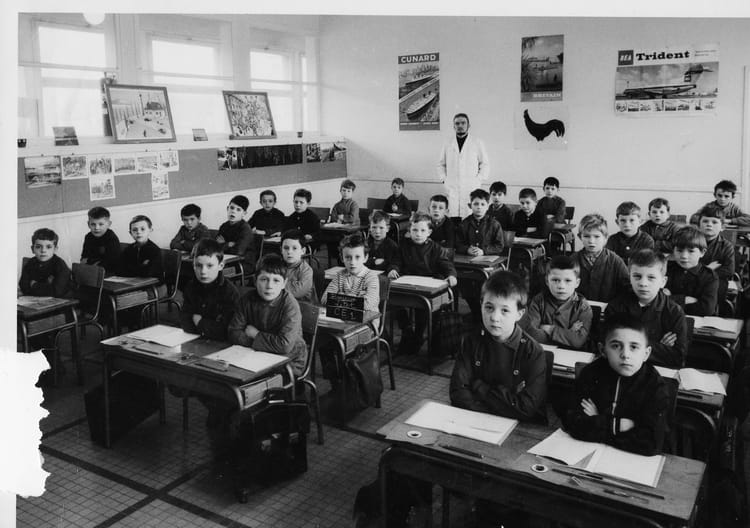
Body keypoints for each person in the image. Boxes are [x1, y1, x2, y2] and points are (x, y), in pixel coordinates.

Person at [564, 315, 669, 456]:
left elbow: (651, 443)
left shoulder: (655, 385)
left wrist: (598, 420)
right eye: (616, 346)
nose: (625, 354)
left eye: (634, 347)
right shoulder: (591, 373)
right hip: (586, 451)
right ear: (603, 350)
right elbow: (573, 424)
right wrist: (619, 425)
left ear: (646, 353)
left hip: (632, 460)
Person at [605, 249, 688, 368]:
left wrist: (628, 344)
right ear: (630, 278)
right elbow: (608, 348)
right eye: (637, 276)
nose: (643, 283)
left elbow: (677, 357)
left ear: (663, 282)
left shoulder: (674, 312)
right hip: (622, 368)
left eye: (651, 277)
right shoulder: (616, 307)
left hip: (658, 370)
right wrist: (657, 346)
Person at [227, 254, 308, 376]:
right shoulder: (247, 299)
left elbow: (284, 345)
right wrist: (260, 343)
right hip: (254, 355)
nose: (269, 286)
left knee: (250, 381)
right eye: (264, 279)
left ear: (284, 283)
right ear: (255, 280)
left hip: (289, 362)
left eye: (276, 280)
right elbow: (233, 332)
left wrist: (256, 335)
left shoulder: (290, 305)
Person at [389, 212, 457, 352]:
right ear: (409, 231)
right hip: (408, 284)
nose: (418, 234)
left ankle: (418, 335)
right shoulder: (404, 245)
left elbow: (446, 264)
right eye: (414, 230)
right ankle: (407, 329)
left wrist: (451, 275)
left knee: (423, 307)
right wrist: (393, 269)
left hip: (427, 286)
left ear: (429, 232)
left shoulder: (436, 248)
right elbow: (397, 260)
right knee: (392, 300)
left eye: (422, 230)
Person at [520, 255, 592, 350]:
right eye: (555, 280)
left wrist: (550, 329)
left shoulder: (583, 307)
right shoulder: (538, 301)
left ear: (577, 283)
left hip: (570, 355)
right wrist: (567, 333)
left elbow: (578, 341)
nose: (561, 286)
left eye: (568, 280)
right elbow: (531, 334)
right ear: (547, 281)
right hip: (543, 352)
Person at [456, 189, 504, 319]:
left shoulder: (494, 224)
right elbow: (458, 244)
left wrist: (484, 250)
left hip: (487, 266)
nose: (479, 207)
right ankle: (477, 313)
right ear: (470, 205)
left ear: (488, 206)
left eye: (482, 204)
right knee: (464, 284)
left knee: (484, 286)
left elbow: (499, 246)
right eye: (476, 204)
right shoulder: (464, 224)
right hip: (468, 265)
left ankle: (483, 312)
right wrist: (467, 249)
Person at [179, 239, 241, 340]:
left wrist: (200, 322)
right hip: (194, 339)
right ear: (193, 265)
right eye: (198, 265)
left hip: (220, 343)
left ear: (221, 266)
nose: (203, 271)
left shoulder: (229, 292)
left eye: (209, 266)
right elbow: (184, 320)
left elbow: (227, 330)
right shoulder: (190, 286)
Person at [437, 113, 490, 217]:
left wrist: (478, 180)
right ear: (454, 126)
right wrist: (444, 179)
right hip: (452, 187)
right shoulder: (447, 143)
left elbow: (485, 164)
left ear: (468, 125)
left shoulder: (477, 142)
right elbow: (440, 164)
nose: (460, 125)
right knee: (453, 216)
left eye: (463, 123)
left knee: (469, 216)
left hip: (470, 186)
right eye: (457, 123)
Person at [574, 213, 629, 303]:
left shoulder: (615, 261)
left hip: (608, 308)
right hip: (579, 307)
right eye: (586, 236)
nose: (591, 241)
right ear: (580, 237)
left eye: (597, 236)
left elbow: (626, 287)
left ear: (605, 238)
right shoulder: (573, 260)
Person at [665, 225, 718, 316]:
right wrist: (685, 300)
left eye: (691, 251)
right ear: (673, 250)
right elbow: (654, 300)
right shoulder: (666, 269)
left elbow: (707, 309)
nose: (684, 256)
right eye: (679, 250)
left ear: (702, 252)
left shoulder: (710, 276)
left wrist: (671, 299)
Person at [698, 204, 735, 303]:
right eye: (705, 221)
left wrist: (704, 272)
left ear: (722, 227)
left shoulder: (727, 246)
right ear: (698, 225)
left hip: (716, 280)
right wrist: (708, 268)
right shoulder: (692, 242)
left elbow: (729, 270)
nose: (709, 224)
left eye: (714, 222)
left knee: (718, 287)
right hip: (694, 279)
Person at [19, 228, 72, 298]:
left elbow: (57, 291)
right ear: (32, 249)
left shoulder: (60, 265)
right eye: (38, 247)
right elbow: (23, 286)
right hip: (35, 300)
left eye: (48, 247)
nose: (43, 250)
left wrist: (34, 285)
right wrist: (48, 286)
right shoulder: (31, 263)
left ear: (55, 249)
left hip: (62, 301)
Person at [216, 194, 255, 269]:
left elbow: (238, 251)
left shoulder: (245, 229)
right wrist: (228, 244)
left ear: (244, 213)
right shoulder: (224, 226)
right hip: (226, 261)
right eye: (232, 208)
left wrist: (223, 244)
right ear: (227, 208)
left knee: (215, 270)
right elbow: (215, 247)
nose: (233, 211)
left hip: (242, 264)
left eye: (238, 210)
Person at [80, 206, 121, 274]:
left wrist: (91, 263)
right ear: (88, 224)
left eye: (101, 224)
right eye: (93, 224)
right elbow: (84, 258)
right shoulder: (88, 237)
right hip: (93, 271)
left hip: (110, 272)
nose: (97, 228)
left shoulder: (111, 238)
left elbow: (111, 262)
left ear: (109, 224)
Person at [280, 229, 314, 303]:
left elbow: (297, 292)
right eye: (286, 248)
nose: (289, 252)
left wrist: (275, 284)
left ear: (303, 251)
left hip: (301, 306)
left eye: (294, 248)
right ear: (281, 250)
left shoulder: (306, 270)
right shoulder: (277, 265)